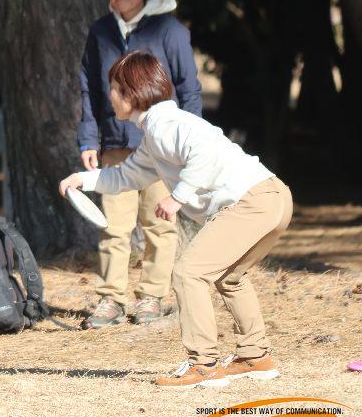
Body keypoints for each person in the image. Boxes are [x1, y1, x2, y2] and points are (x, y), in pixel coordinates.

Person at [60, 51, 291, 390]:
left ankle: (204, 365)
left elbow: (203, 153)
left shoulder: (165, 125)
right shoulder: (156, 134)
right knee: (230, 277)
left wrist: (177, 197)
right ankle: (255, 356)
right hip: (275, 197)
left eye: (114, 88)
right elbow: (126, 176)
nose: (109, 96)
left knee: (188, 272)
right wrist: (83, 179)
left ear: (131, 92)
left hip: (253, 200)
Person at [77, 0, 202, 329]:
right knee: (112, 226)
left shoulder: (170, 31)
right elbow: (89, 88)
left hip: (163, 147)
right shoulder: (100, 31)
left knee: (159, 223)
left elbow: (190, 89)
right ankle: (110, 299)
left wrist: (188, 143)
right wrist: (88, 139)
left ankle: (152, 296)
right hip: (115, 145)